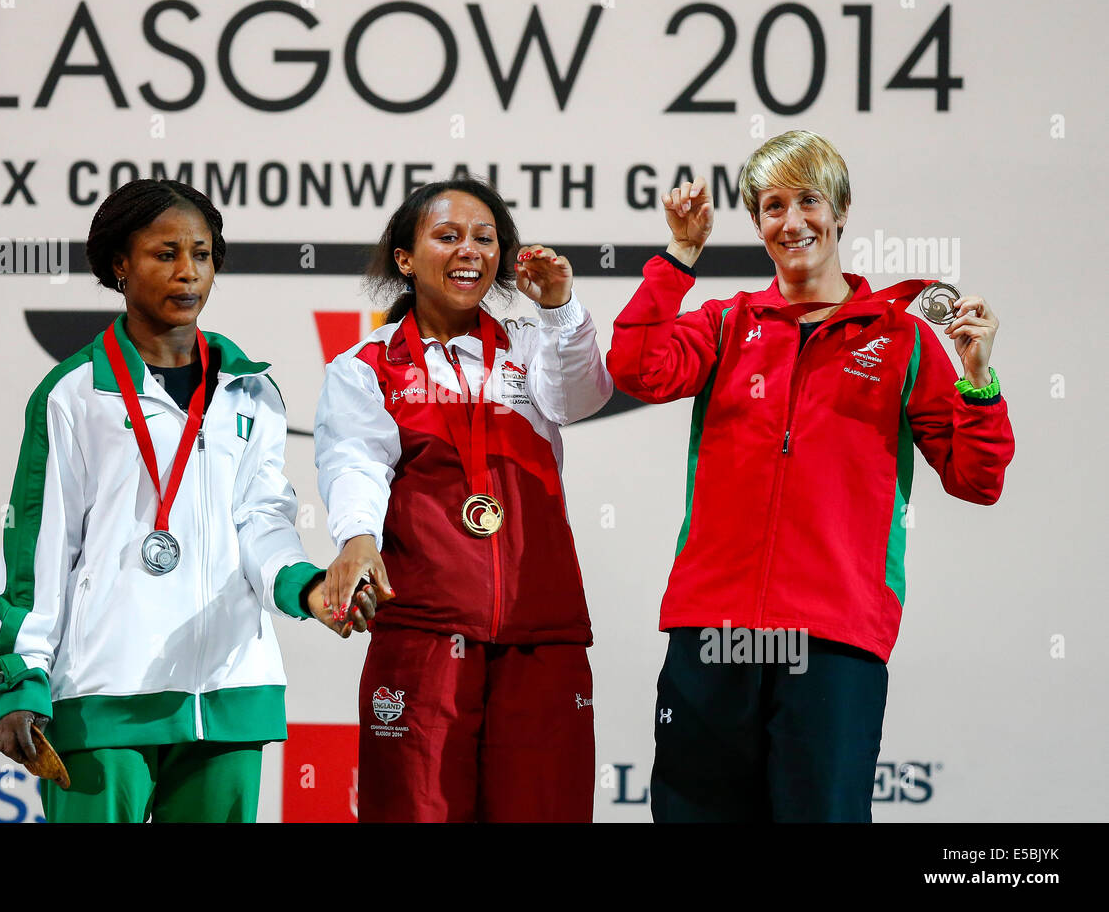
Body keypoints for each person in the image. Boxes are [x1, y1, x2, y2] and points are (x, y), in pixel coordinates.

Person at [607, 130, 1015, 822]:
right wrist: (679, 259)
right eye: (771, 206)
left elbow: (978, 479)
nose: (791, 222)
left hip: (832, 636)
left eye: (808, 201)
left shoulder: (902, 340)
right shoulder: (728, 322)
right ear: (758, 223)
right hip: (713, 627)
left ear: (842, 210)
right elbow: (635, 368)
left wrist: (979, 379)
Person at [0, 178, 372, 823]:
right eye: (165, 254)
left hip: (228, 692)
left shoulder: (251, 392)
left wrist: (306, 587)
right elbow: (40, 549)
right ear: (119, 265)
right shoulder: (74, 394)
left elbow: (261, 521)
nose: (187, 272)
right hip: (103, 694)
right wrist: (23, 679)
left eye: (202, 254)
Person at [314, 177, 613, 822]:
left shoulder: (531, 347)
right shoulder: (367, 365)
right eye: (446, 237)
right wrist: (358, 537)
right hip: (425, 629)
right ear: (405, 257)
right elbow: (354, 460)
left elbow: (584, 397)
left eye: (484, 239)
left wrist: (560, 308)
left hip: (542, 629)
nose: (468, 251)